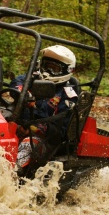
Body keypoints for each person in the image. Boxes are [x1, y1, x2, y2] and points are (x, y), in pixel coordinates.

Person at [10, 45, 79, 179]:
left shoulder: (68, 95)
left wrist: (34, 114)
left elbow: (59, 130)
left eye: (54, 68)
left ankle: (10, 176)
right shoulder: (33, 77)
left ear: (67, 70)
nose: (48, 71)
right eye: (46, 66)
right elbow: (17, 81)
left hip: (44, 139)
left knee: (26, 147)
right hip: (19, 126)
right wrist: (22, 93)